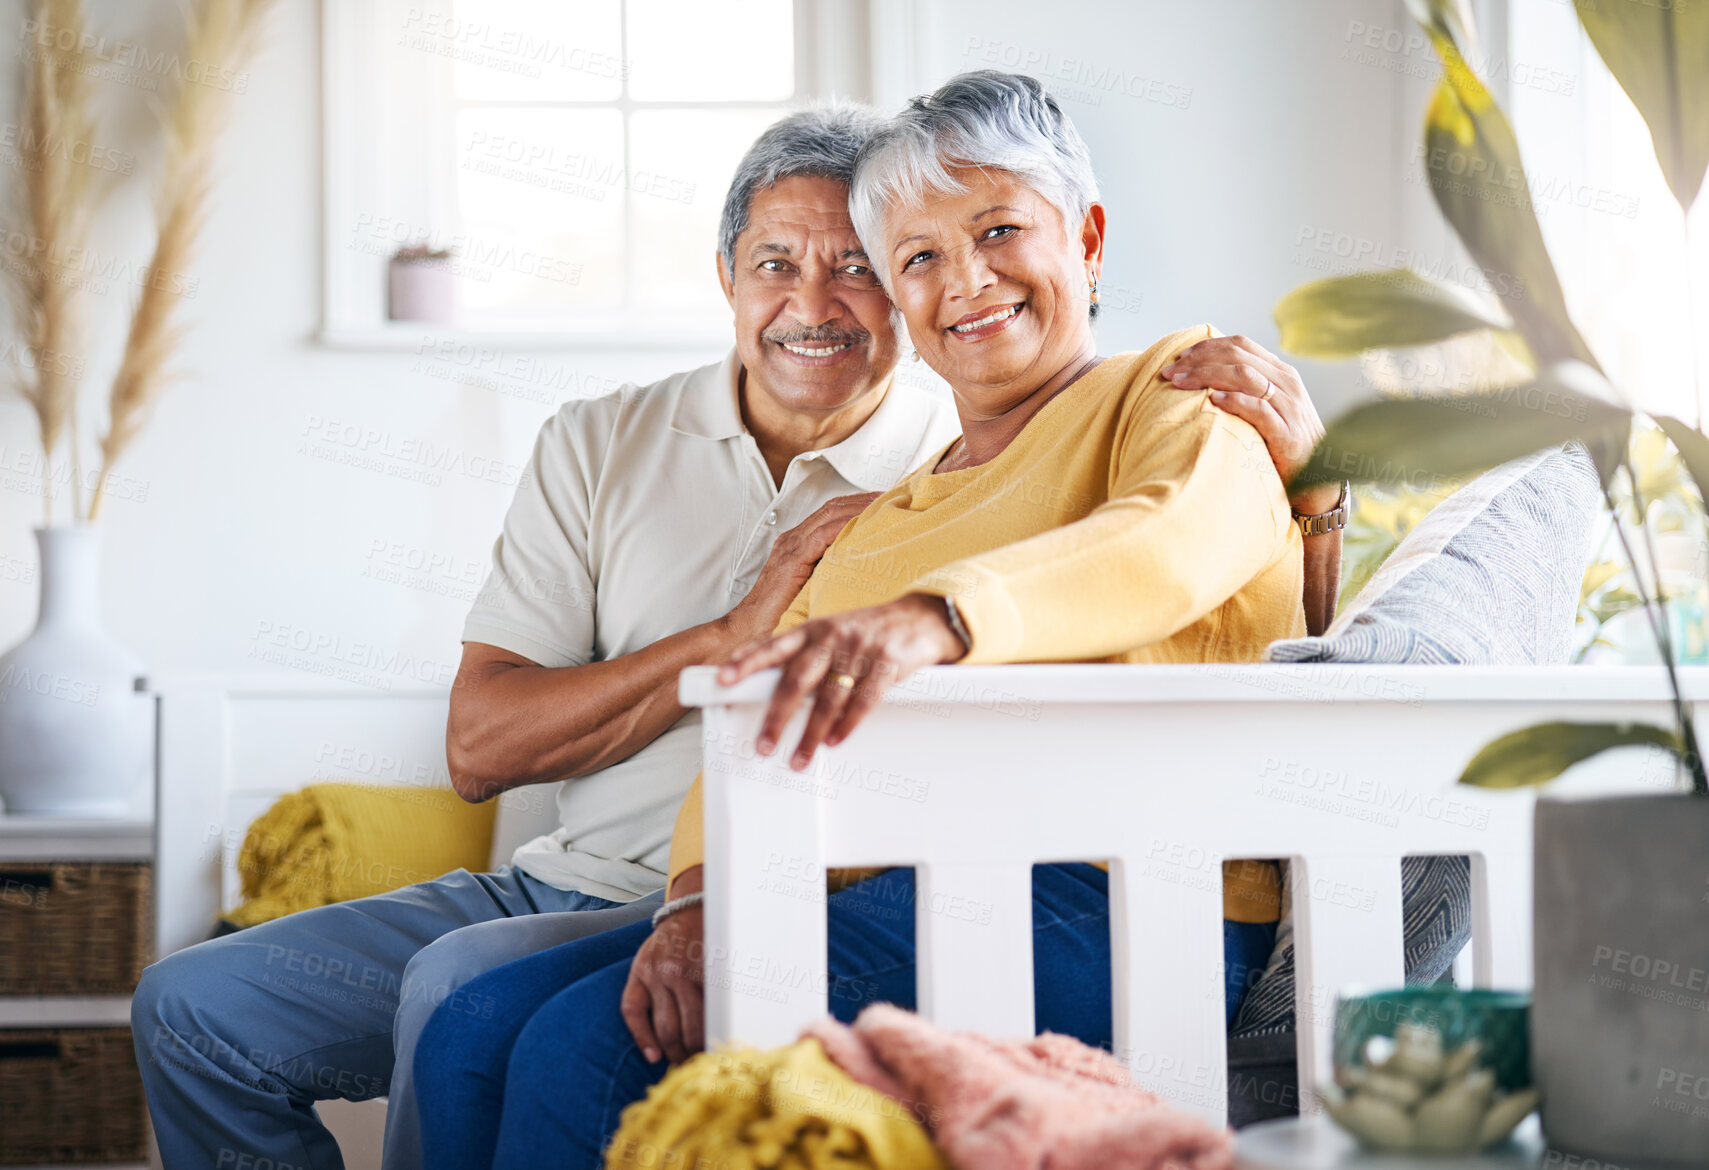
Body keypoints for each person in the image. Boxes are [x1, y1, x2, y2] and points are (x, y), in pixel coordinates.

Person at [411, 71, 1348, 1170]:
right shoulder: (888, 510)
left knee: (584, 1055)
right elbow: (760, 706)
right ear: (899, 303)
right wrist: (696, 901)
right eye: (917, 258)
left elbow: (1168, 543)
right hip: (878, 884)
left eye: (998, 229)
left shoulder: (1179, 391)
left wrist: (937, 620)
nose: (964, 281)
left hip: (1116, 897)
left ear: (1086, 237)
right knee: (465, 1029)